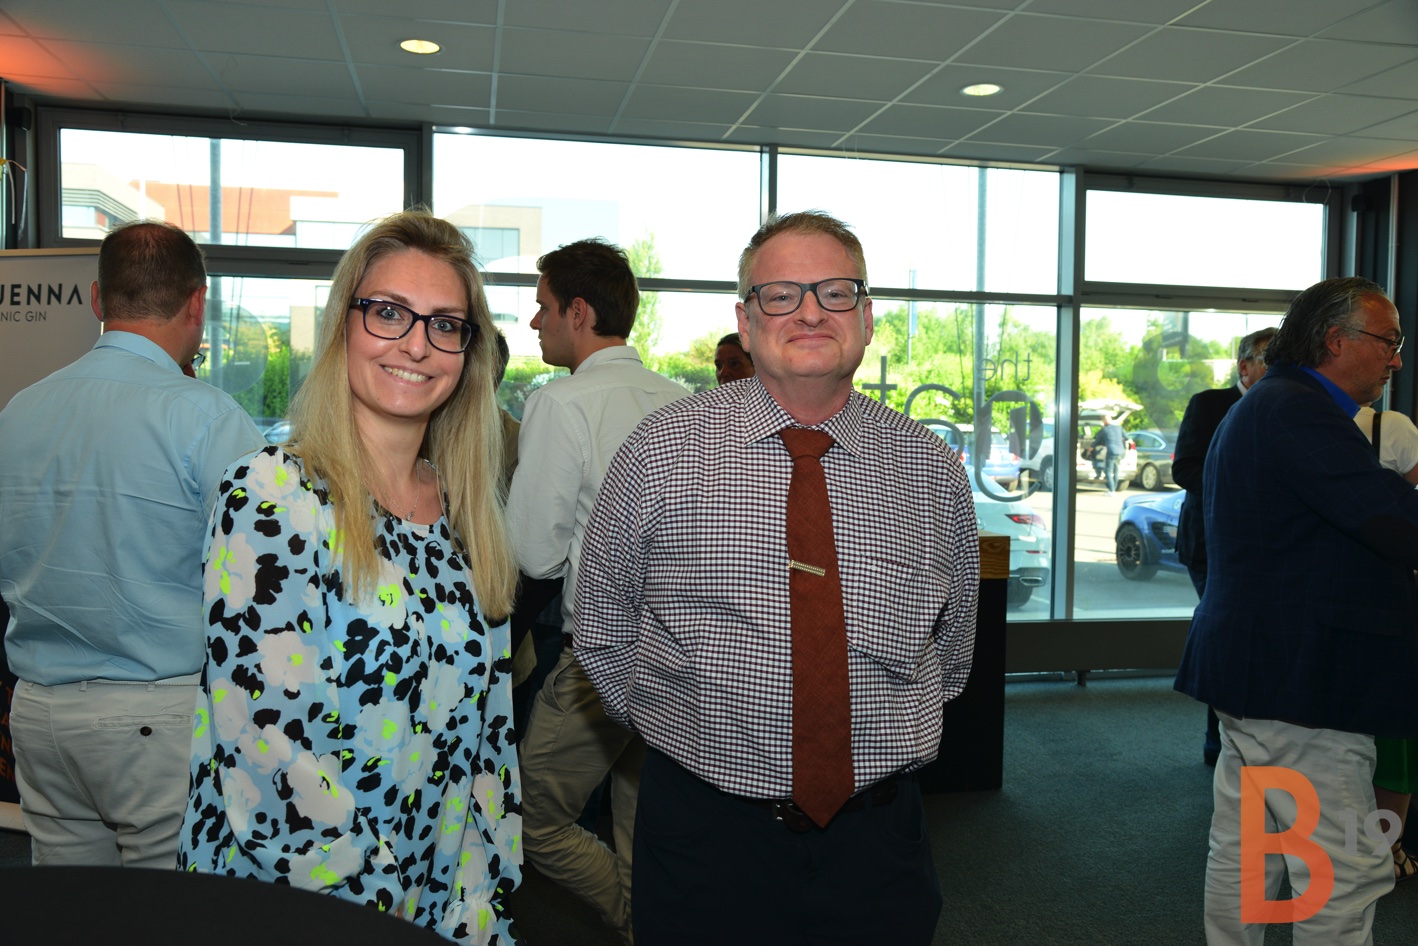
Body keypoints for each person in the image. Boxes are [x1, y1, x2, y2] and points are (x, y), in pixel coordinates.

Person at [576, 211, 979, 945]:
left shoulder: (930, 469)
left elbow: (952, 656)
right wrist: (686, 737)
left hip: (878, 844)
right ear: (746, 320)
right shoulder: (661, 451)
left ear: (867, 316)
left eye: (835, 291)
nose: (810, 312)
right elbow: (602, 629)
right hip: (705, 840)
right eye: (781, 294)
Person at [177, 210, 522, 942]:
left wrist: (477, 902)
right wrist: (376, 909)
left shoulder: (466, 512)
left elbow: (486, 739)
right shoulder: (273, 495)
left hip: (434, 895)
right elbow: (264, 743)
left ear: (468, 351)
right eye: (389, 312)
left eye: (445, 324)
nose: (416, 344)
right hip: (299, 899)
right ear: (344, 324)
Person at [0, 220, 266, 868]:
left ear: (97, 299)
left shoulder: (18, 411)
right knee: (167, 908)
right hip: (156, 715)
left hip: (37, 710)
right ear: (197, 303)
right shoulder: (208, 417)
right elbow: (265, 576)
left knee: (70, 909)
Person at [1174, 276, 1418, 945]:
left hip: (1265, 676)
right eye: (1389, 341)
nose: (1396, 359)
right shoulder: (1298, 412)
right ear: (1336, 339)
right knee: (1342, 869)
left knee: (1254, 855)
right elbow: (1390, 519)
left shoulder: (1276, 403)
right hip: (1300, 684)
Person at [504, 238, 687, 943]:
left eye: (544, 306)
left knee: (529, 820)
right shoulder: (685, 403)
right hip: (680, 659)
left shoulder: (562, 403)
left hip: (603, 663)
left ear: (578, 312)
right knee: (641, 821)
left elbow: (534, 554)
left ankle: (638, 921)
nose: (534, 322)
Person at [1173, 326, 1276, 766]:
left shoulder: (1286, 408)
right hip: (1209, 544)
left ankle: (1253, 733)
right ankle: (1217, 737)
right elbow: (1184, 469)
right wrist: (1239, 491)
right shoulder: (1210, 404)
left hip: (1269, 547)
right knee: (1229, 636)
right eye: (1270, 360)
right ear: (1244, 366)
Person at [1353, 401, 1418, 883]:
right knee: (1385, 738)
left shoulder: (1388, 426)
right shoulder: (1300, 423)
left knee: (1389, 743)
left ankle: (1381, 848)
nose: (1393, 365)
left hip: (1387, 604)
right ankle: (1377, 852)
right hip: (1366, 608)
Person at [1092, 412, 1126, 491]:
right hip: (1120, 451)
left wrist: (1091, 447)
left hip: (1111, 451)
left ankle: (1111, 490)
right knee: (1116, 470)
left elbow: (1097, 440)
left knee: (1108, 471)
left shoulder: (1105, 429)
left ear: (1104, 421)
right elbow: (1127, 437)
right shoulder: (1119, 428)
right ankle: (1114, 488)